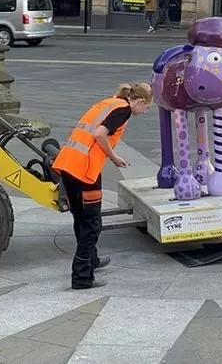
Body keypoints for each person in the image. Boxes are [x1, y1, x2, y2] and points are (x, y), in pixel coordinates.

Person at [52, 82, 154, 289]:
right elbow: (99, 134)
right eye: (147, 108)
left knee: (80, 218)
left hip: (67, 164)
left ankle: (91, 260)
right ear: (141, 101)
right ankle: (82, 277)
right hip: (85, 172)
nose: (145, 112)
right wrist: (114, 157)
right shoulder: (124, 109)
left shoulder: (109, 102)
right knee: (92, 223)